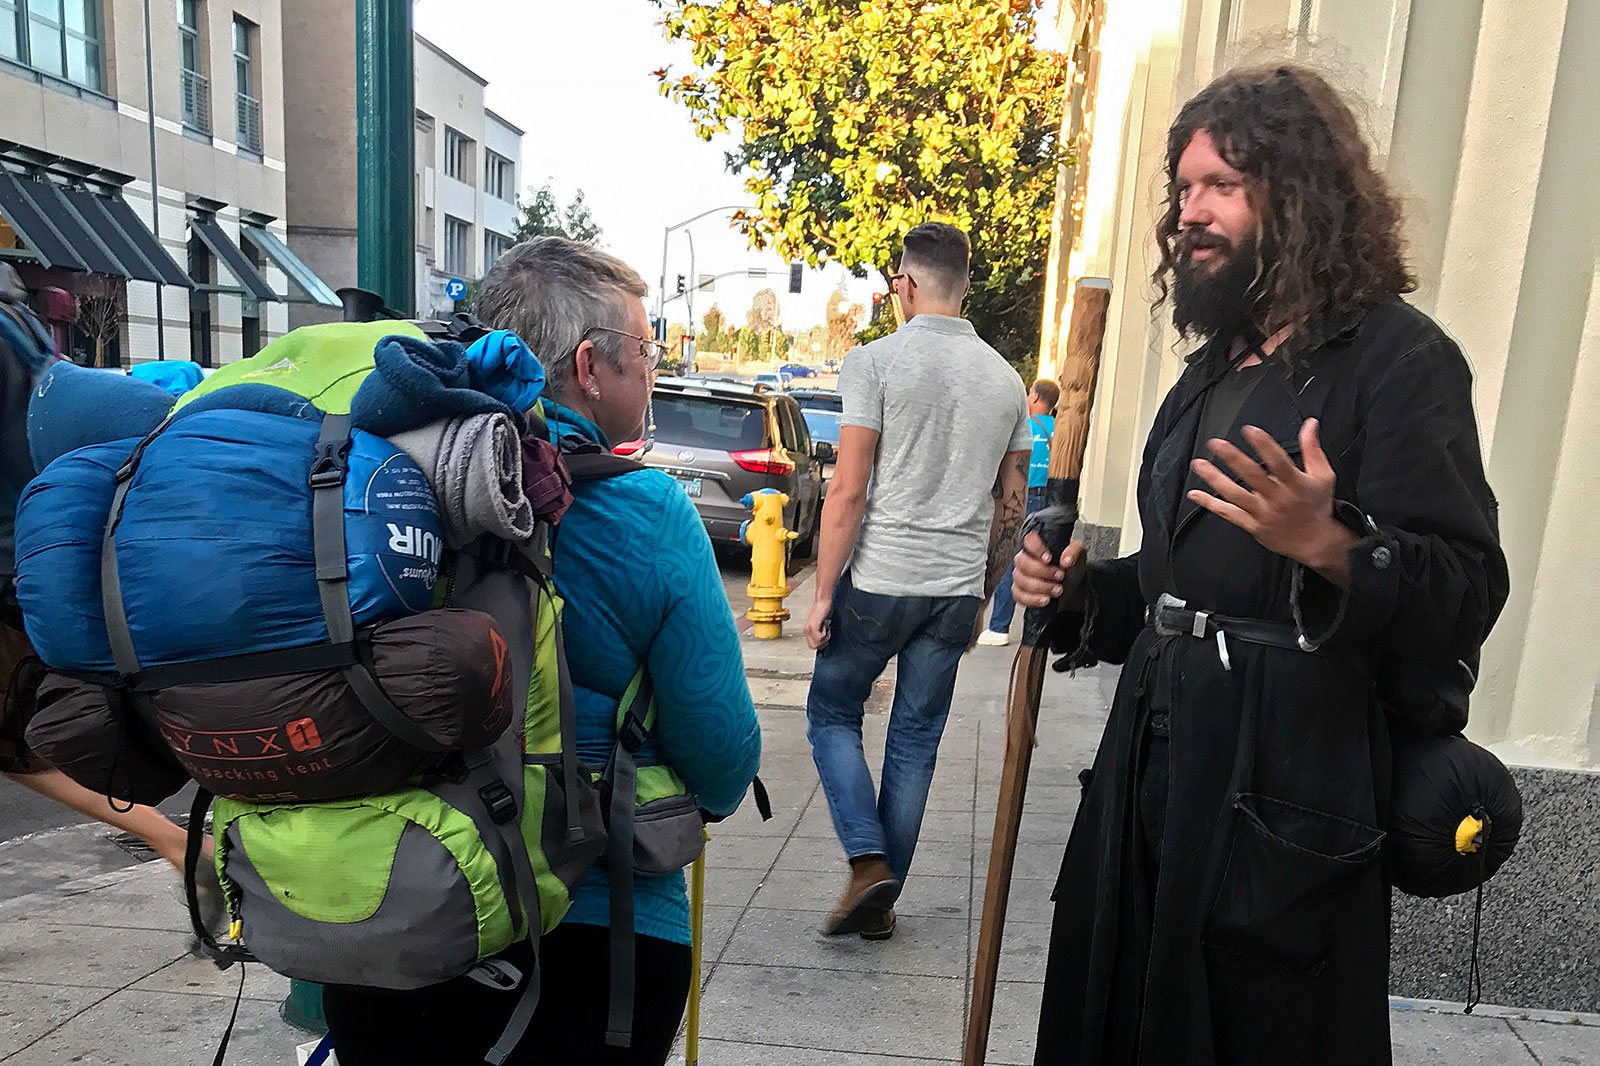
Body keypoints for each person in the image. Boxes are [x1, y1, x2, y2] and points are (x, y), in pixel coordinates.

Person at [1011, 65, 1508, 1066]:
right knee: (1119, 1013)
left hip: (1283, 781)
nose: (1190, 212)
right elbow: (1178, 581)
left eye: (1220, 186)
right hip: (1153, 761)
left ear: (1298, 194)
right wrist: (1078, 592)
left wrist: (1328, 545)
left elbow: (1466, 584)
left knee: (1249, 1031)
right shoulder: (1212, 369)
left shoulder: (1397, 359)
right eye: (1184, 189)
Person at [321, 237, 762, 1066]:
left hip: (384, 915)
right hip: (595, 935)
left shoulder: (374, 484)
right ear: (591, 367)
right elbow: (724, 761)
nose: (654, 369)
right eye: (647, 350)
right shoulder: (651, 515)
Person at [803, 222, 1032, 941]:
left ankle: (868, 862)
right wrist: (984, 597)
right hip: (955, 591)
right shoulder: (1006, 380)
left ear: (904, 282)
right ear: (966, 285)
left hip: (880, 580)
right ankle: (880, 906)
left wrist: (820, 593)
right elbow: (1014, 503)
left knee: (831, 713)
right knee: (914, 742)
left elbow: (847, 491)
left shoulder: (874, 362)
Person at [0, 265, 200, 882]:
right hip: (61, 553)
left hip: (20, 567)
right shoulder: (19, 326)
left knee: (17, 739)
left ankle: (177, 843)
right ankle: (183, 840)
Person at [977, 378, 1058, 645]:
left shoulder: (1023, 426)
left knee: (1009, 555)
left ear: (1035, 398)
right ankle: (1040, 627)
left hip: (1025, 496)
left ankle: (999, 626)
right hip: (1053, 499)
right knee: (1045, 560)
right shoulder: (1058, 428)